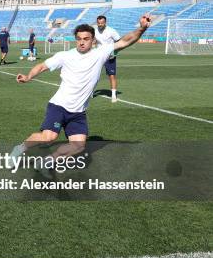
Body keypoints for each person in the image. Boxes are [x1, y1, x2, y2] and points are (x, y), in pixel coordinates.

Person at [8, 15, 151, 167]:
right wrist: (28, 76)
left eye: (86, 38)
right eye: (79, 38)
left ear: (93, 40)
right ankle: (19, 149)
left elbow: (125, 41)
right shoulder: (65, 56)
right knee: (48, 137)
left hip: (78, 112)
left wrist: (142, 28)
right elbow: (42, 66)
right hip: (59, 106)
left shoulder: (101, 53)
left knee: (78, 146)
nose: (82, 42)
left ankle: (46, 161)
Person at [94, 15, 121, 103]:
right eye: (98, 23)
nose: (100, 24)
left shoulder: (111, 31)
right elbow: (94, 41)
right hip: (98, 55)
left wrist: (115, 52)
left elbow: (119, 41)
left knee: (112, 75)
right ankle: (90, 92)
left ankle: (113, 95)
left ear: (105, 22)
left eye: (102, 23)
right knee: (94, 74)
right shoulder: (94, 30)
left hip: (110, 56)